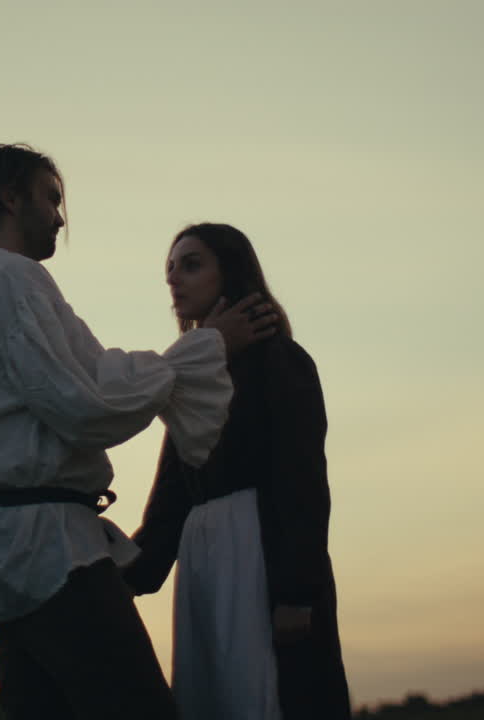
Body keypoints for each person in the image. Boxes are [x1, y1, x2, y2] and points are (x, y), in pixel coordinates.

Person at [0, 145, 278, 719]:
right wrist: (207, 348)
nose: (61, 219)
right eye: (51, 198)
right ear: (10, 197)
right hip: (49, 551)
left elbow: (86, 380)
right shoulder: (7, 278)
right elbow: (85, 398)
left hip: (1, 551)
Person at [122, 223, 352, 719]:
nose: (174, 280)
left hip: (260, 556)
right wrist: (124, 573)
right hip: (202, 567)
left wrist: (295, 592)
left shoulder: (280, 361)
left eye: (191, 264)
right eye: (169, 270)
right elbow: (170, 502)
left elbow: (302, 481)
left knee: (267, 696)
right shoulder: (193, 381)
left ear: (231, 271)